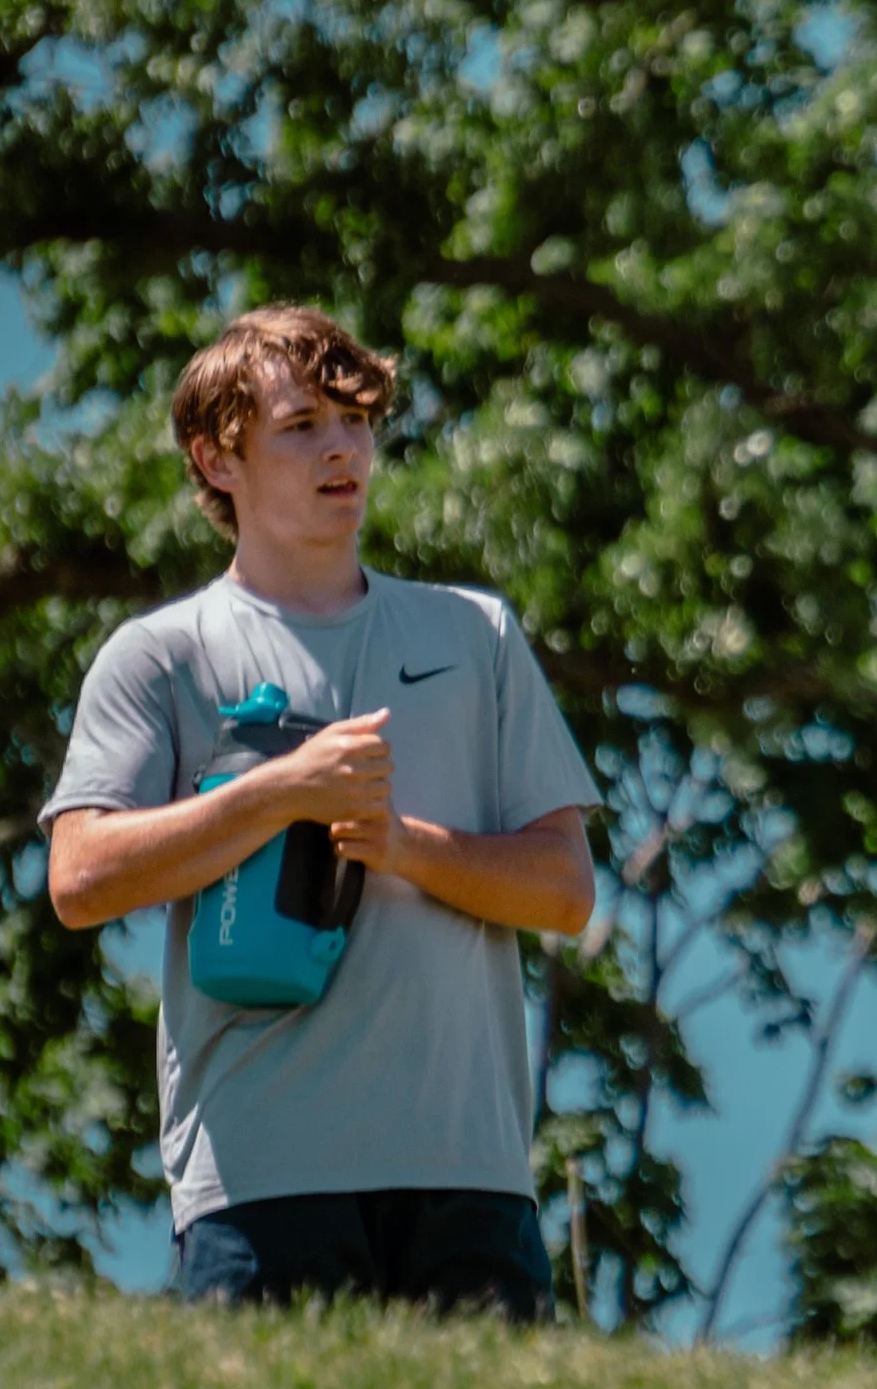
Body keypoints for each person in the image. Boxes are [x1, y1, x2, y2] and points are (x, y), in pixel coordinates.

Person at [42, 306, 599, 1320]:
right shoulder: (161, 655)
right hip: (259, 1175)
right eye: (301, 426)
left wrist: (400, 845)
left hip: (469, 1173)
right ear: (218, 460)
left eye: (356, 420)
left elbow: (564, 890)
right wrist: (281, 791)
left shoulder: (473, 634)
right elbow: (79, 878)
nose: (342, 448)